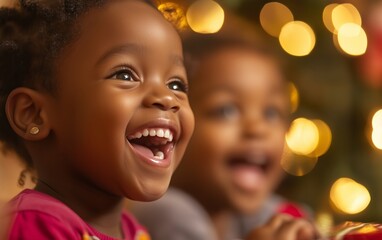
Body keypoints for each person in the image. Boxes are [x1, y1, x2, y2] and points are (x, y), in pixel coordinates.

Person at [0, 0, 195, 239]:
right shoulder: (36, 225)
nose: (167, 98)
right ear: (33, 114)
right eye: (125, 74)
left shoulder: (134, 231)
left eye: (176, 84)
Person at [130, 35, 319, 240]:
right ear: (173, 126)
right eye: (226, 111)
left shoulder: (261, 215)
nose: (257, 129)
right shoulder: (167, 214)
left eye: (271, 113)